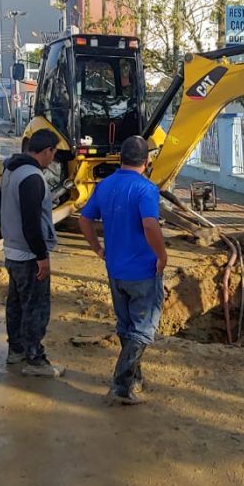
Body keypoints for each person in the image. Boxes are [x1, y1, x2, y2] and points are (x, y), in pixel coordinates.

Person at [78, 135, 168, 405]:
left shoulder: (105, 185)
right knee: (141, 330)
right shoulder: (146, 189)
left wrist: (97, 248)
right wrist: (162, 255)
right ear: (147, 160)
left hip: (115, 269)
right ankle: (121, 385)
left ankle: (135, 377)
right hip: (142, 271)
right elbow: (150, 225)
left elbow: (84, 219)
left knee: (126, 325)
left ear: (120, 158)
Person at [0, 130, 64, 377]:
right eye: (53, 154)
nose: (52, 160)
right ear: (47, 151)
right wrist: (41, 256)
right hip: (28, 255)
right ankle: (35, 360)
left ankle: (16, 351)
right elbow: (32, 223)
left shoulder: (11, 170)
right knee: (36, 307)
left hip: (12, 251)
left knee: (15, 304)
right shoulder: (33, 177)